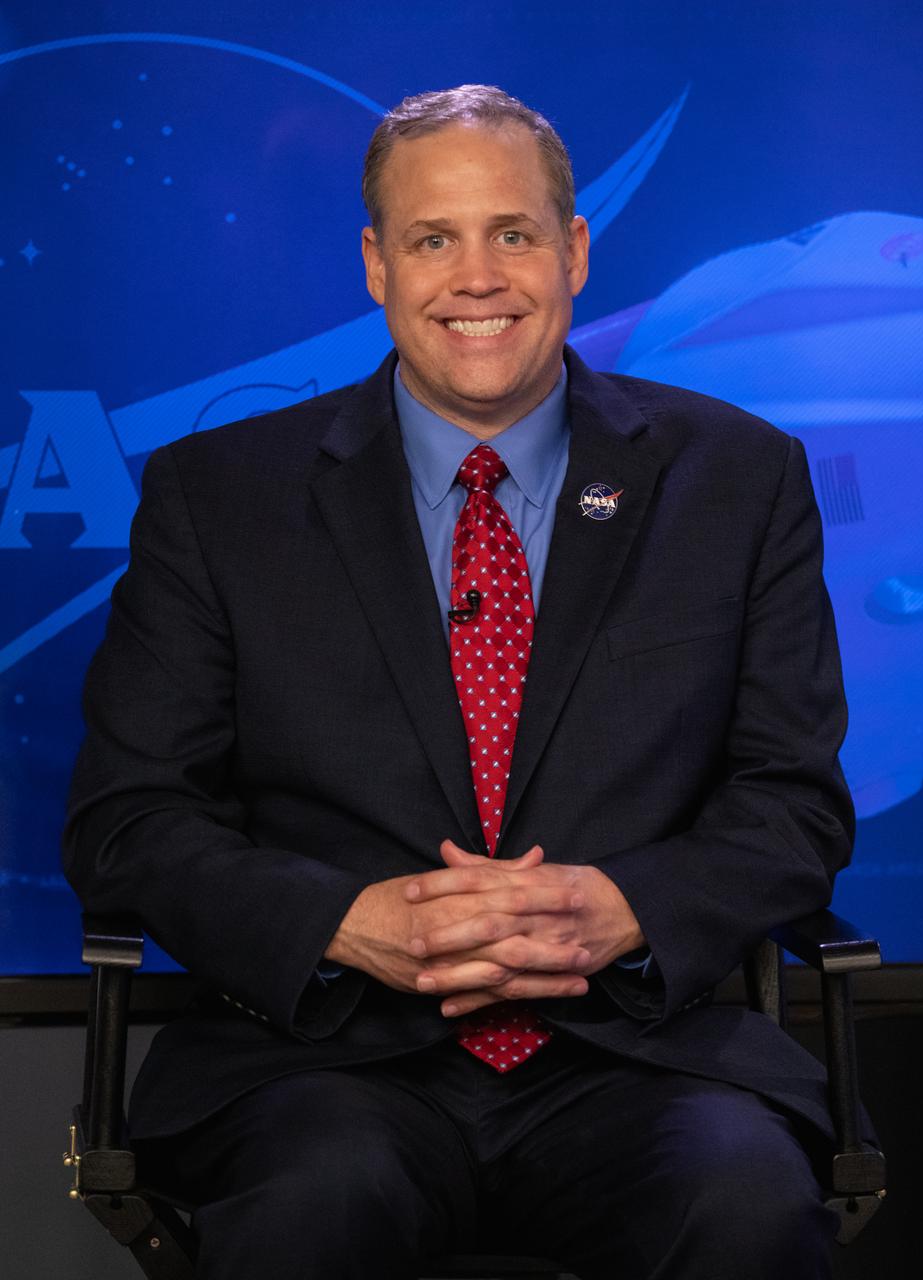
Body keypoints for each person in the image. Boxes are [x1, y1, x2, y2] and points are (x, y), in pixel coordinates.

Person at [64, 85, 854, 1279]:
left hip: (642, 1056)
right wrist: (342, 922)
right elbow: (128, 821)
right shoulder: (217, 498)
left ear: (576, 250)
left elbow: (794, 803)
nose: (476, 276)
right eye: (435, 238)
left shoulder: (737, 480)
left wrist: (624, 907)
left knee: (742, 1196)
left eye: (515, 233)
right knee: (313, 1206)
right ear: (378, 265)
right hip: (325, 1061)